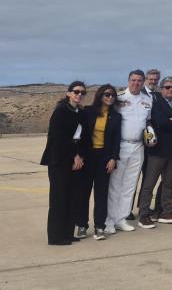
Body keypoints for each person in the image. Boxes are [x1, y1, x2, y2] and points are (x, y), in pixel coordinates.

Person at [41, 82, 86, 245]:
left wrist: (80, 155)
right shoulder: (61, 111)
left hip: (74, 159)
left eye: (82, 92)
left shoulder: (80, 112)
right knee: (58, 199)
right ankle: (55, 236)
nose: (79, 94)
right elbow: (57, 138)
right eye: (76, 91)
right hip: (59, 160)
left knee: (71, 197)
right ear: (68, 93)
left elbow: (82, 137)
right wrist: (74, 156)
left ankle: (67, 232)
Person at [106, 70, 150, 233]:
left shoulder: (148, 99)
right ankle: (109, 220)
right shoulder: (119, 98)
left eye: (139, 80)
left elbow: (148, 121)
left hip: (139, 146)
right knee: (115, 185)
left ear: (143, 82)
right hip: (121, 146)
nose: (136, 83)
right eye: (133, 80)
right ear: (128, 80)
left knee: (130, 185)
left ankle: (121, 218)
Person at [75, 85, 121, 239]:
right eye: (107, 94)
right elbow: (80, 134)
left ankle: (100, 226)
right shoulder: (88, 111)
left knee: (101, 194)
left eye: (113, 95)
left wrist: (113, 158)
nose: (110, 97)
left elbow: (116, 139)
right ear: (100, 95)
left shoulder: (116, 116)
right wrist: (78, 155)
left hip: (104, 158)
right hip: (87, 157)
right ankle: (82, 225)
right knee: (83, 193)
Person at [138, 77, 172, 227]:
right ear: (161, 88)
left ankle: (166, 211)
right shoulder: (156, 103)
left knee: (168, 183)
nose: (170, 89)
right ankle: (144, 214)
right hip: (158, 151)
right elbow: (160, 122)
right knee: (149, 183)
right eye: (167, 87)